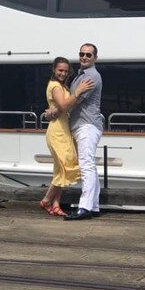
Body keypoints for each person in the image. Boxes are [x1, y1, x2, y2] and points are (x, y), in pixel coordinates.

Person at [40, 57, 94, 217]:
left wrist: (54, 111)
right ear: (54, 70)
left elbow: (62, 108)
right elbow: (64, 105)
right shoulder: (55, 86)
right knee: (66, 166)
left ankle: (56, 203)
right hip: (57, 131)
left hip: (64, 129)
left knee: (60, 168)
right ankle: (46, 200)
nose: (63, 73)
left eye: (65, 71)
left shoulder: (62, 85)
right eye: (60, 70)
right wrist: (79, 90)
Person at [65, 43, 103, 221]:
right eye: (82, 54)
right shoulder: (81, 76)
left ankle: (85, 207)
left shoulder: (91, 77)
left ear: (95, 58)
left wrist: (55, 111)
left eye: (88, 55)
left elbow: (74, 102)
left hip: (86, 125)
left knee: (86, 165)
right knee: (90, 166)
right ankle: (93, 205)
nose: (84, 57)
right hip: (85, 125)